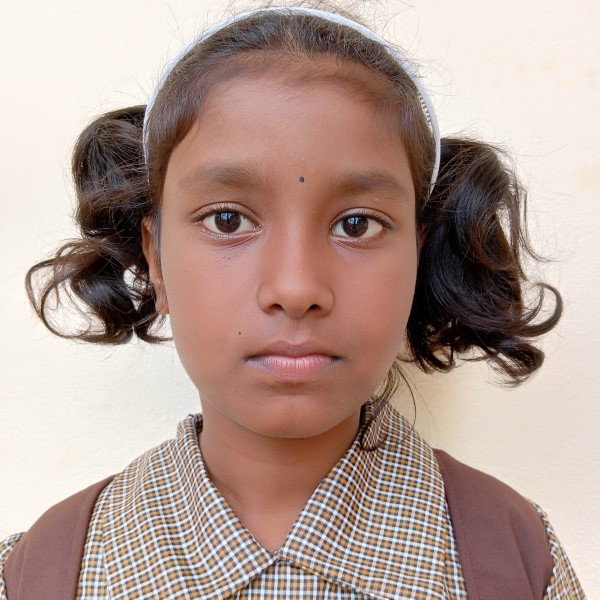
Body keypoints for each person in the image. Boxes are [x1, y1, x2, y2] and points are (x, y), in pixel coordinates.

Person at [0, 3, 586, 598]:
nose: (296, 288)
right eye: (227, 220)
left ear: (417, 253)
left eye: (357, 224)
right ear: (156, 257)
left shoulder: (519, 565)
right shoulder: (42, 577)